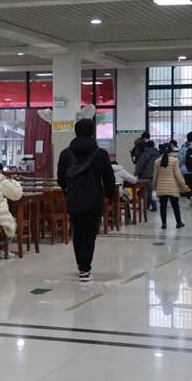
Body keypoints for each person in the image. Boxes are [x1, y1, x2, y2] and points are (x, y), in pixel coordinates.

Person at [57, 119, 116, 282]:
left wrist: (67, 193)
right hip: (94, 199)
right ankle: (85, 268)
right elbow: (109, 178)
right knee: (90, 234)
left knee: (77, 233)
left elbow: (61, 178)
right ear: (92, 132)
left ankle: (81, 266)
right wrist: (109, 196)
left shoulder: (65, 154)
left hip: (74, 199)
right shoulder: (100, 154)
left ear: (75, 132)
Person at [153, 144, 190, 230]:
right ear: (171, 150)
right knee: (175, 206)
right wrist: (184, 186)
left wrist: (154, 187)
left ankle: (164, 224)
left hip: (161, 187)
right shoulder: (174, 160)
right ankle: (178, 222)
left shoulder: (157, 161)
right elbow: (178, 175)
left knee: (163, 206)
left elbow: (155, 175)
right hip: (173, 188)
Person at [135, 140, 160, 211]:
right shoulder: (157, 153)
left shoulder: (146, 154)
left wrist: (136, 172)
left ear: (147, 146)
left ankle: (152, 206)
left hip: (145, 175)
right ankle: (148, 206)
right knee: (151, 191)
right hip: (154, 174)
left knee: (145, 191)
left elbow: (140, 164)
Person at [111, 160, 136, 225]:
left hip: (107, 197)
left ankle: (111, 218)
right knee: (127, 199)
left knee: (109, 202)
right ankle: (128, 219)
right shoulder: (121, 171)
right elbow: (134, 180)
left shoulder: (105, 170)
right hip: (119, 197)